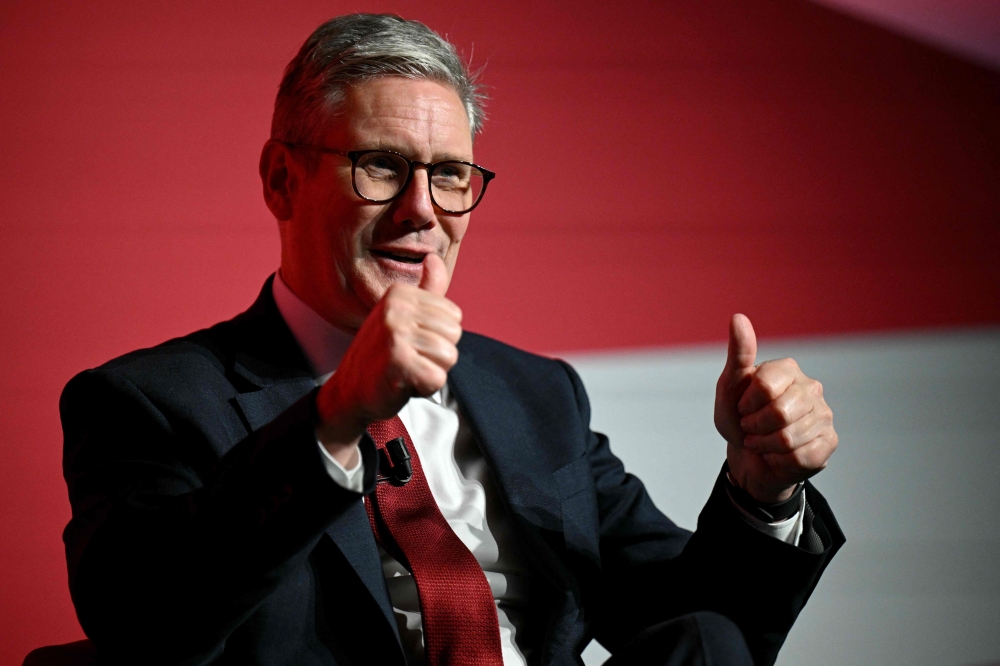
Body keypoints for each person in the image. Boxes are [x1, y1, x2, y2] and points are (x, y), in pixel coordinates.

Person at [60, 13, 843, 666]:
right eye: (381, 166)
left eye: (450, 176)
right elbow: (144, 628)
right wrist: (335, 417)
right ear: (281, 180)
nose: (422, 210)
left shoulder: (537, 394)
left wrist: (760, 493)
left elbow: (696, 623)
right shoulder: (151, 401)